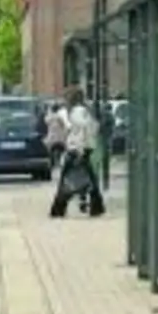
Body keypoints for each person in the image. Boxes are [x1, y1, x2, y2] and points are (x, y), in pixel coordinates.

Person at [50, 86, 106, 218]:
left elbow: (82, 129)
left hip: (76, 148)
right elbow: (92, 128)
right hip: (82, 148)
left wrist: (79, 148)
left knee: (66, 179)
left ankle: (59, 208)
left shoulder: (77, 112)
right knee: (89, 178)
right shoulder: (82, 111)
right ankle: (96, 206)